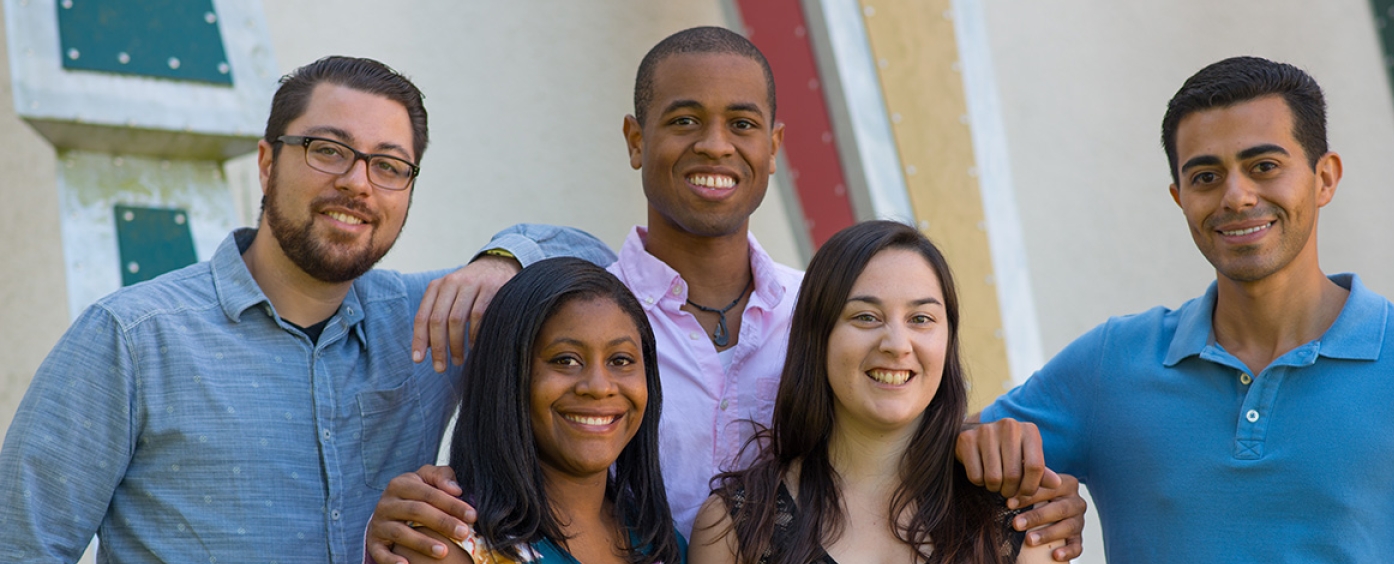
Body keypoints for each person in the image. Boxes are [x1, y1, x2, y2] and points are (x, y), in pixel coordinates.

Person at [373, 27, 1085, 564]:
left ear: (774, 147)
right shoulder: (589, 320)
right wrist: (508, 254)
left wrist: (998, 451)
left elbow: (901, 416)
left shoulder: (828, 314)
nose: (715, 145)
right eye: (684, 120)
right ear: (635, 139)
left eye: (742, 124)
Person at [0, 56, 609, 564]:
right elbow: (21, 545)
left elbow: (603, 265)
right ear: (267, 164)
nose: (358, 183)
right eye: (328, 150)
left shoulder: (428, 321)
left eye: (388, 165)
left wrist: (502, 263)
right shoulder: (132, 338)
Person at [976, 56, 1394, 561]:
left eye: (1264, 166)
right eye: (1205, 176)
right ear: (1179, 198)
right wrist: (994, 472)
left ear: (1324, 178)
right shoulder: (1111, 364)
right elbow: (925, 457)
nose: (1236, 197)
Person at [689, 221, 1061, 564]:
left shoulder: (1018, 519)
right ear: (817, 337)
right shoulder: (734, 527)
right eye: (866, 317)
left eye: (921, 319)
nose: (897, 344)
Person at [396, 257, 683, 564]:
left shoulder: (660, 542)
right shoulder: (444, 542)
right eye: (565, 360)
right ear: (508, 375)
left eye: (620, 360)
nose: (600, 387)